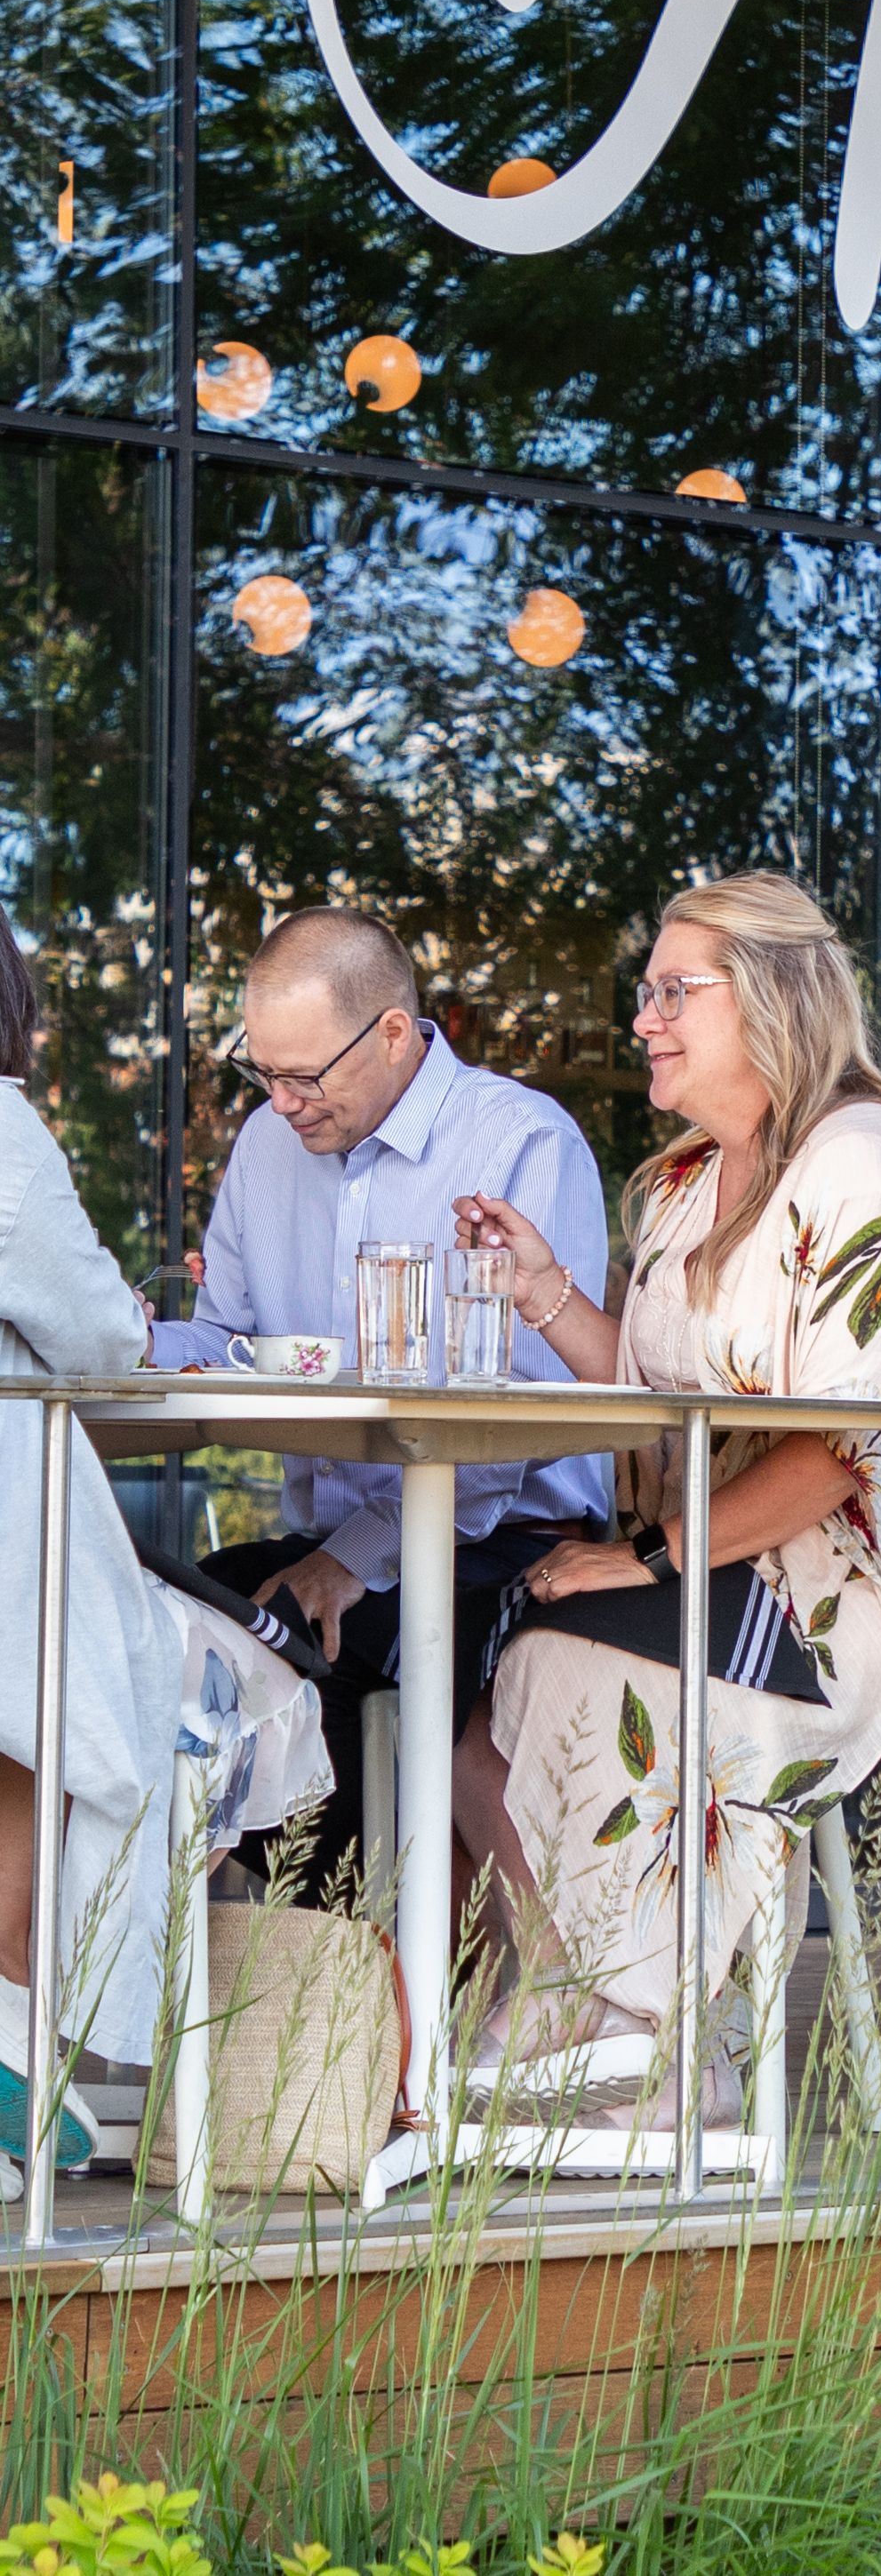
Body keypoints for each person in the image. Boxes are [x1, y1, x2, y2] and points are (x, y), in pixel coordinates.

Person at [451, 872, 881, 2117]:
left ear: (773, 997)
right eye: (645, 990)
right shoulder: (684, 1183)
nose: (644, 1018)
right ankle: (621, 2002)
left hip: (865, 1594)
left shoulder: (865, 1164)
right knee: (489, 1663)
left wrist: (660, 1556)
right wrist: (543, 1286)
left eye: (677, 990)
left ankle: (658, 2038)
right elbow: (653, 1384)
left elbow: (846, 1442)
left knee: (582, 1656)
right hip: (744, 1555)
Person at [147, 907, 610, 1900]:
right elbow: (232, 1342)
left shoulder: (521, 1142)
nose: (280, 1104)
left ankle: (359, 1995)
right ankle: (271, 1983)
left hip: (511, 1542)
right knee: (172, 1620)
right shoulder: (270, 1147)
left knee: (314, 1663)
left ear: (394, 1033)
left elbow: (514, 1424)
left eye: (304, 1075)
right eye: (260, 1072)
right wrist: (122, 1338)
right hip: (339, 1548)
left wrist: (347, 1561)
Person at [0, 907, 330, 2187]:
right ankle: (31, 2040)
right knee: (217, 1678)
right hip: (18, 1573)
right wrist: (127, 1324)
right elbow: (95, 1336)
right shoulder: (4, 1136)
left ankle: (30, 2047)